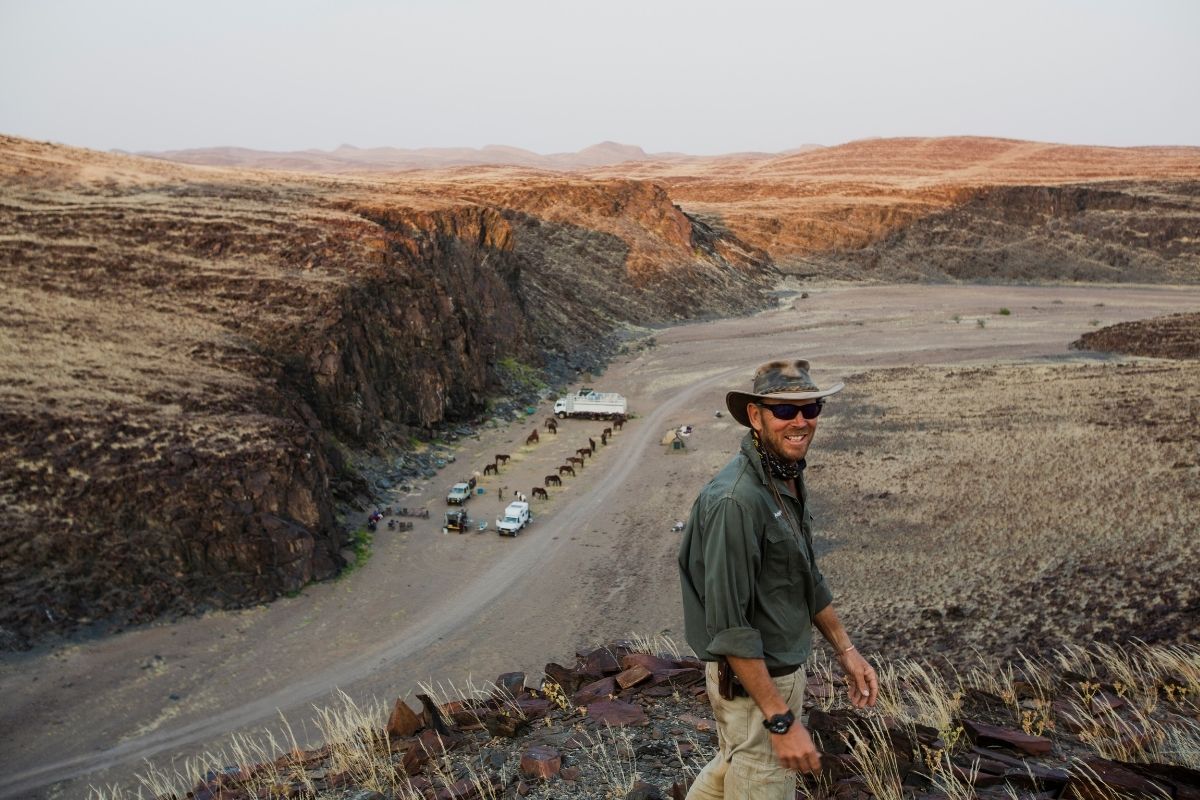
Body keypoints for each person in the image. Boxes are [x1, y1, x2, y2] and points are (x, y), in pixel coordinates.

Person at [678, 359, 879, 799]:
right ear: (756, 416)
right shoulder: (738, 500)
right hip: (757, 685)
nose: (801, 421)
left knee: (732, 767)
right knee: (759, 773)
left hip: (766, 684)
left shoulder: (782, 478)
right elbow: (731, 629)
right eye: (785, 411)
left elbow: (805, 574)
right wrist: (782, 722)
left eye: (811, 408)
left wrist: (846, 650)